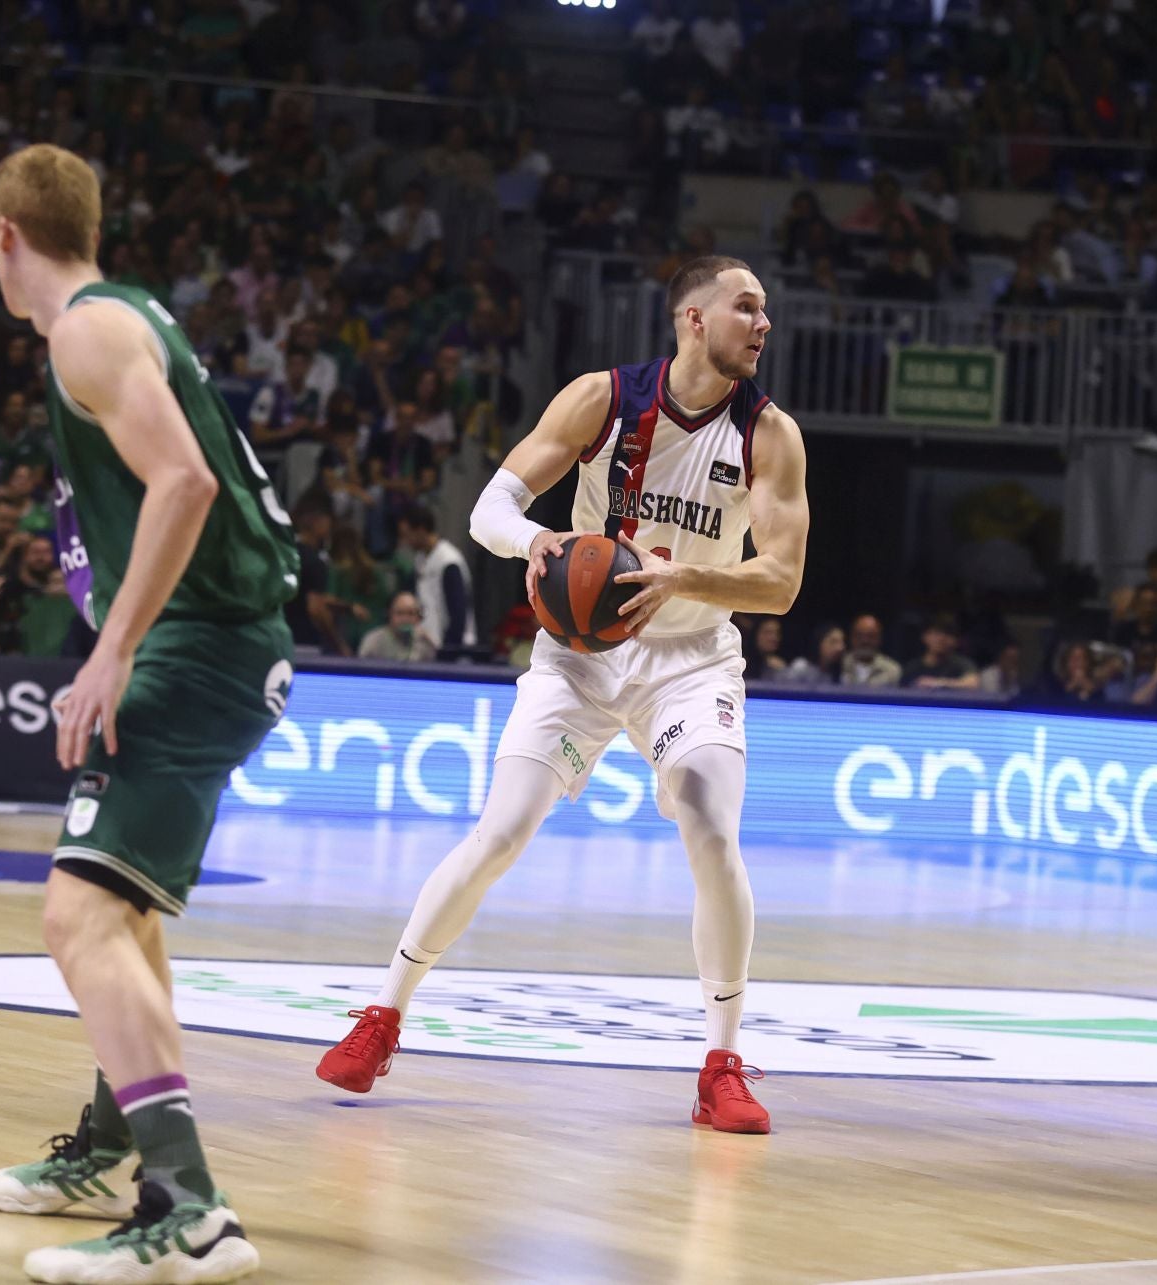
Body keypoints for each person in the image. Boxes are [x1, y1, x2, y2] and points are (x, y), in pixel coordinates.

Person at [316, 256, 808, 1136]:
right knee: (500, 830)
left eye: (765, 311)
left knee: (710, 822)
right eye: (747, 307)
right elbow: (489, 509)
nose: (763, 323)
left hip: (690, 659)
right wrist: (541, 542)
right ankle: (382, 1014)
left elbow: (779, 582)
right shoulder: (603, 398)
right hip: (580, 656)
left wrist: (683, 576)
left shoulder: (769, 435)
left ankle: (722, 1063)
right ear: (692, 319)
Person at [0, 144, 296, 1285]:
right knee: (129, 911)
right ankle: (117, 1147)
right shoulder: (126, 314)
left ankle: (188, 1205)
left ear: (5, 233)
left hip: (200, 648)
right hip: (214, 645)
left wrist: (110, 652)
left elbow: (187, 484)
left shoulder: (87, 330)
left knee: (76, 919)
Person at [398, 504, 475, 652]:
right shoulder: (420, 559)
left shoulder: (449, 561)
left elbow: (458, 614)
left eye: (407, 535)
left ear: (420, 530)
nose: (406, 541)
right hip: (428, 646)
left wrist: (449, 649)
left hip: (451, 649)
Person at [357, 590, 437, 662]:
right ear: (389, 614)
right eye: (400, 613)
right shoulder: (373, 641)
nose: (405, 619)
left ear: (418, 617)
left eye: (411, 613)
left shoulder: (424, 641)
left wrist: (430, 642)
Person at [904, 615, 978, 689]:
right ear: (925, 636)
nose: (941, 639)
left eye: (948, 634)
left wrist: (936, 683)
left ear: (956, 641)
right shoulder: (912, 667)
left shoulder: (963, 664)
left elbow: (972, 684)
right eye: (936, 633)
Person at [841, 612, 901, 686]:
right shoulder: (839, 665)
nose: (865, 641)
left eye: (871, 636)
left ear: (880, 639)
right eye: (859, 635)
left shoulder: (891, 670)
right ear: (851, 637)